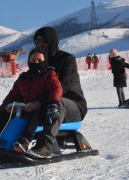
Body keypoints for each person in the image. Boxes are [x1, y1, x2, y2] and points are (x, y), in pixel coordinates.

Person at [0, 48, 63, 154]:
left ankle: (25, 141)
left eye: (39, 60)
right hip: (25, 108)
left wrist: (45, 104)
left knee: (34, 112)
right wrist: (6, 106)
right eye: (33, 60)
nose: (36, 63)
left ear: (44, 61)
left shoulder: (49, 75)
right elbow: (13, 94)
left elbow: (55, 90)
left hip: (42, 110)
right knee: (2, 114)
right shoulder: (24, 78)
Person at [30, 26, 87, 157]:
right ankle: (0, 143)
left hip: (73, 106)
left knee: (56, 101)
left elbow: (64, 86)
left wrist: (39, 101)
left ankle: (45, 146)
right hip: (45, 104)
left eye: (43, 42)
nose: (40, 45)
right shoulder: (38, 61)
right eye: (37, 42)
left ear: (51, 42)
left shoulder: (67, 59)